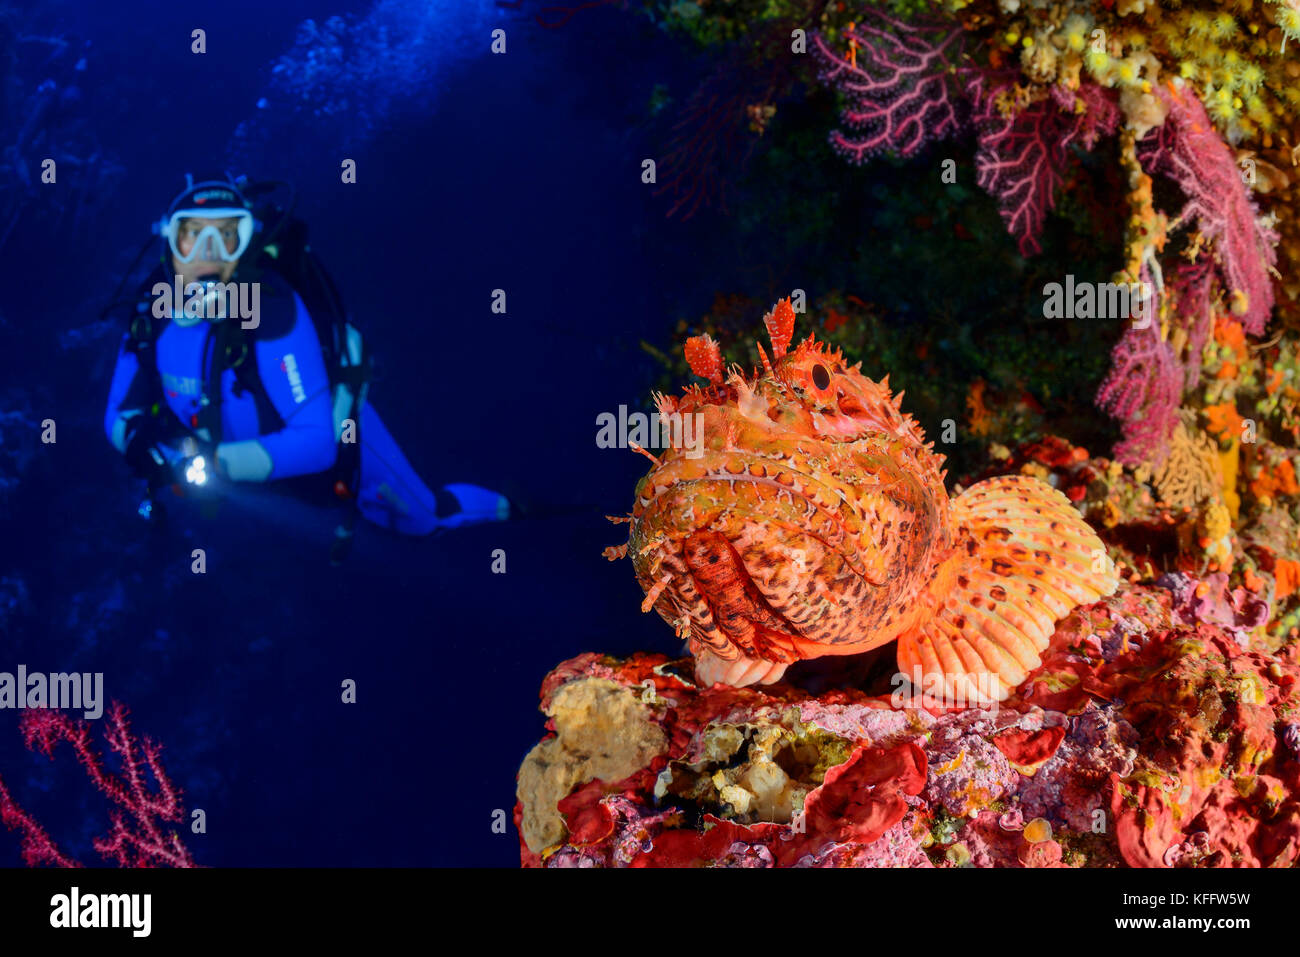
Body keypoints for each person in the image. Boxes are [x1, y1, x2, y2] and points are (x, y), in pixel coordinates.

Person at [103, 173, 510, 560]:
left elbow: (317, 444)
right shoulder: (150, 310)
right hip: (245, 469)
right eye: (193, 235)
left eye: (227, 235)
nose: (209, 253)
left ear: (245, 245)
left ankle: (511, 507)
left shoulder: (271, 310)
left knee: (425, 520)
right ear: (170, 244)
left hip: (338, 445)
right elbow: (118, 415)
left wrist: (214, 465)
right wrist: (144, 450)